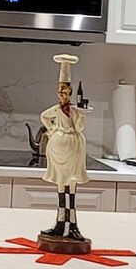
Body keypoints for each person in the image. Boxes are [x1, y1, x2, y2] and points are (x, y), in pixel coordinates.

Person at [39, 53, 87, 242]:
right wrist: (51, 129)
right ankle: (60, 224)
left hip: (72, 148)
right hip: (58, 148)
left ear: (70, 92)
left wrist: (82, 116)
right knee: (60, 185)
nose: (62, 95)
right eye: (60, 92)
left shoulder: (74, 111)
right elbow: (44, 116)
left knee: (71, 186)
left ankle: (72, 225)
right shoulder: (55, 109)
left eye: (65, 92)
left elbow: (79, 127)